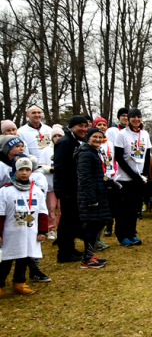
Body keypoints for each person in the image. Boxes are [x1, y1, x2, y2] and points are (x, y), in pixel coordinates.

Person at [0, 156, 48, 295]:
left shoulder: (36, 191)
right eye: (21, 170)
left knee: (24, 257)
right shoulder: (5, 191)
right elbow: (1, 214)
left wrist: (42, 231)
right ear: (15, 171)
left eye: (27, 170)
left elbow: (42, 213)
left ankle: (19, 282)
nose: (24, 173)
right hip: (11, 232)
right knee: (5, 261)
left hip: (29, 232)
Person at [53, 115, 89, 262]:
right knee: (67, 221)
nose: (84, 129)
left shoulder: (79, 141)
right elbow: (61, 168)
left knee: (74, 220)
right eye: (80, 126)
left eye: (86, 126)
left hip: (78, 189)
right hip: (69, 190)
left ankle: (70, 247)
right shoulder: (65, 143)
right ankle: (64, 252)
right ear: (71, 127)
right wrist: (66, 190)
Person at [113, 108, 150, 246]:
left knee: (135, 207)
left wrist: (144, 174)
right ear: (128, 119)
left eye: (138, 117)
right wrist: (134, 175)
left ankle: (131, 233)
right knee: (124, 208)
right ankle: (122, 236)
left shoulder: (145, 134)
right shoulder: (122, 134)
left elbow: (147, 155)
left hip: (139, 178)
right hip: (125, 178)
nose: (136, 119)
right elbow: (119, 157)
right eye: (133, 117)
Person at [75, 128, 111, 269]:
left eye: (100, 137)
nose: (97, 139)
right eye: (94, 137)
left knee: (97, 225)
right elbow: (84, 178)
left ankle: (89, 255)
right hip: (90, 195)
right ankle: (87, 258)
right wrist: (91, 198)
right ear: (88, 138)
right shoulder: (85, 153)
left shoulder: (93, 152)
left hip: (98, 193)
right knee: (93, 225)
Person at [40, 125, 62, 239]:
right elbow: (41, 165)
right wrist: (50, 169)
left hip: (63, 184)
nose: (57, 138)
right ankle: (52, 229)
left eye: (59, 136)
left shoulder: (65, 149)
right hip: (50, 184)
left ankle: (60, 228)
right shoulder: (46, 151)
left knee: (62, 208)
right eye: (55, 136)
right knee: (51, 208)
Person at [0, 122, 26, 186]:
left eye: (22, 146)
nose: (21, 149)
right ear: (7, 149)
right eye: (17, 146)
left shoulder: (23, 161)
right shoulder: (1, 165)